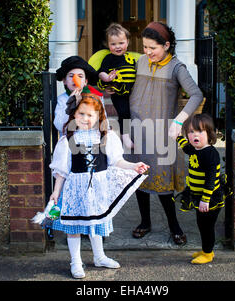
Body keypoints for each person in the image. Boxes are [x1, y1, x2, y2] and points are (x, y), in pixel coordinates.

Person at [46, 93, 149, 279]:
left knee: (96, 224)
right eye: (81, 114)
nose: (85, 119)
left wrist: (134, 166)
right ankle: (76, 262)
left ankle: (99, 256)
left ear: (99, 116)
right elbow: (62, 170)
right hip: (75, 190)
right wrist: (55, 192)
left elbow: (117, 161)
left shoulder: (106, 136)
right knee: (74, 228)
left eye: (90, 115)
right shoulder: (68, 140)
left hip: (97, 191)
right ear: (74, 115)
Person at [128, 22, 204, 246]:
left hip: (161, 132)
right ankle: (145, 222)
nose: (148, 52)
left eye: (153, 48)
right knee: (138, 177)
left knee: (162, 185)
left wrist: (179, 120)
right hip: (135, 128)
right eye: (145, 47)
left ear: (167, 45)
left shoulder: (176, 67)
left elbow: (196, 95)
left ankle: (174, 226)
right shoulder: (141, 61)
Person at [174, 113, 224, 264]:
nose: (195, 135)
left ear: (209, 134)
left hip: (209, 198)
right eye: (191, 132)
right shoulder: (195, 149)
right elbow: (185, 146)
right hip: (199, 197)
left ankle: (208, 254)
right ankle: (205, 250)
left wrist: (205, 200)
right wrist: (177, 136)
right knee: (201, 225)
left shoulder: (210, 154)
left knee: (207, 226)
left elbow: (211, 180)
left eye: (200, 131)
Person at [96, 23, 137, 149]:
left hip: (132, 91)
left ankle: (135, 135)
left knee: (134, 113)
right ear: (108, 45)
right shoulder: (109, 58)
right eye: (113, 44)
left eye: (121, 43)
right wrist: (107, 78)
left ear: (127, 42)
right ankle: (125, 136)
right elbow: (101, 72)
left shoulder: (130, 58)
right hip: (118, 92)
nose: (117, 47)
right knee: (124, 112)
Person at [54, 56, 104, 134]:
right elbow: (60, 126)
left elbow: (103, 123)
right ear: (64, 81)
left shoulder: (96, 98)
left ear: (85, 82)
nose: (75, 79)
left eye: (80, 76)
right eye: (71, 76)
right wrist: (70, 104)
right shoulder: (62, 99)